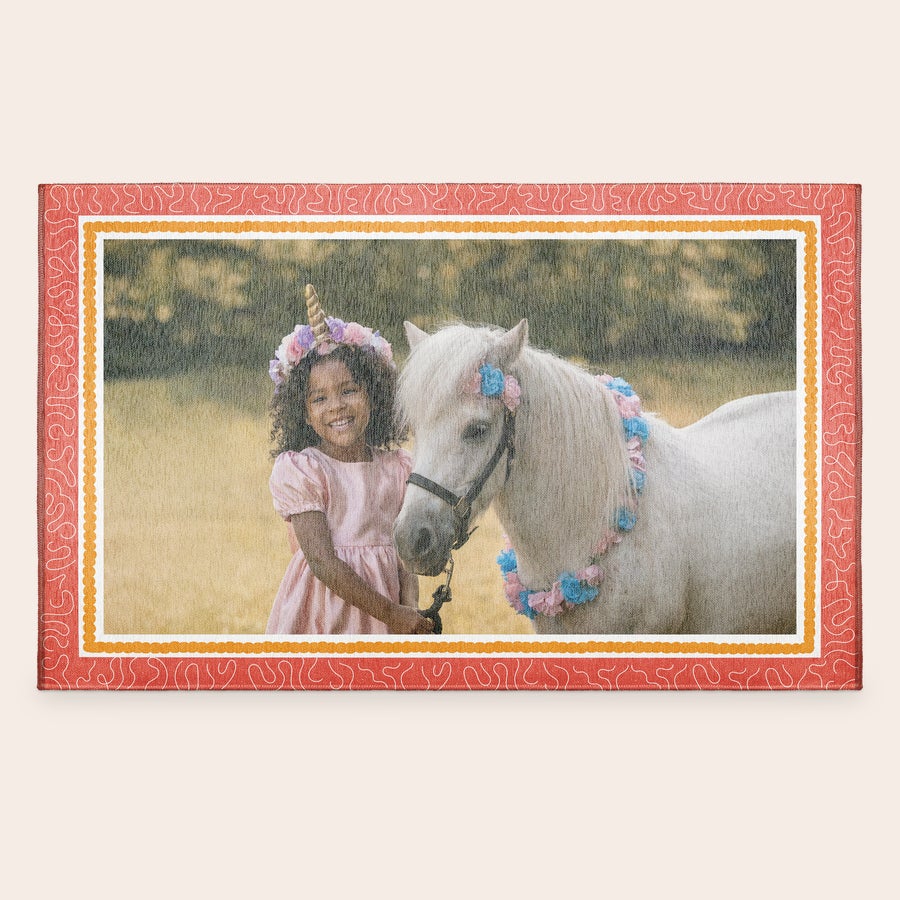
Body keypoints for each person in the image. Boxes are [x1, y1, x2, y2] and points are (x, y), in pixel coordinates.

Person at [265, 287, 433, 635]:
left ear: (373, 395)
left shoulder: (397, 468)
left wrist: (409, 609)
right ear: (304, 414)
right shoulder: (304, 471)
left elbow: (403, 560)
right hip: (324, 614)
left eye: (348, 390)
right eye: (319, 399)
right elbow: (322, 562)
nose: (337, 406)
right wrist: (391, 613)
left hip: (389, 617)